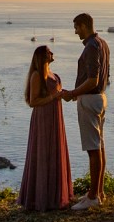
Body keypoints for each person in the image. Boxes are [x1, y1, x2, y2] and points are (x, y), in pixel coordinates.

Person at [61, 12, 109, 210]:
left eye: (76, 27)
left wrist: (72, 93)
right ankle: (99, 191)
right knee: (99, 146)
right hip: (100, 99)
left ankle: (92, 197)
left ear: (84, 26)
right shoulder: (103, 43)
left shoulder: (91, 47)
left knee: (92, 149)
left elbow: (92, 80)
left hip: (89, 100)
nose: (75, 32)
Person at [18, 44, 73, 211]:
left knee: (55, 152)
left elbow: (55, 94)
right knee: (42, 154)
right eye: (49, 52)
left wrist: (66, 94)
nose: (52, 53)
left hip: (55, 117)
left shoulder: (54, 75)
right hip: (43, 118)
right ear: (42, 56)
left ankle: (55, 196)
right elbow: (33, 102)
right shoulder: (37, 75)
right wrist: (55, 95)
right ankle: (40, 198)